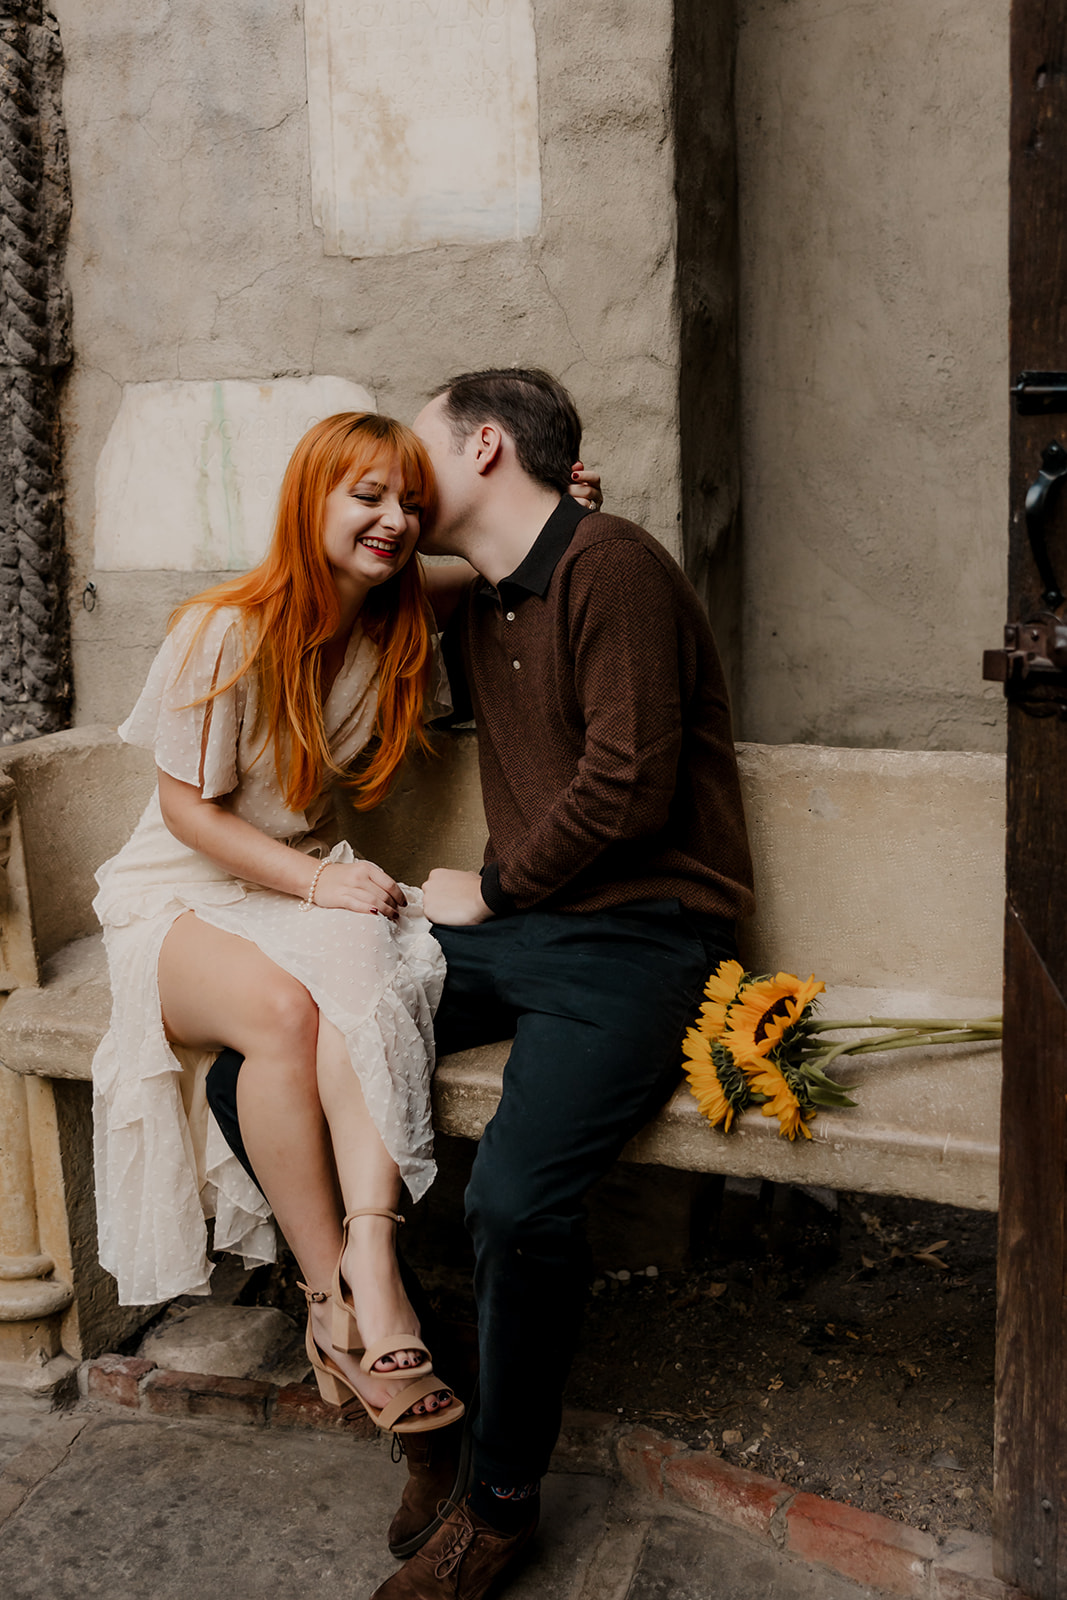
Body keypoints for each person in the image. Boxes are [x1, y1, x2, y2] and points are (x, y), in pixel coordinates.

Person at [205, 368, 750, 1597]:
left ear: (487, 444)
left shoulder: (613, 566)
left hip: (640, 939)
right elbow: (345, 573)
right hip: (523, 934)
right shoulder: (476, 597)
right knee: (252, 1073)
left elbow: (627, 782)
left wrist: (492, 889)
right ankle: (414, 1385)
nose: (401, 479)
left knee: (513, 1198)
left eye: (423, 451)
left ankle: (500, 1505)